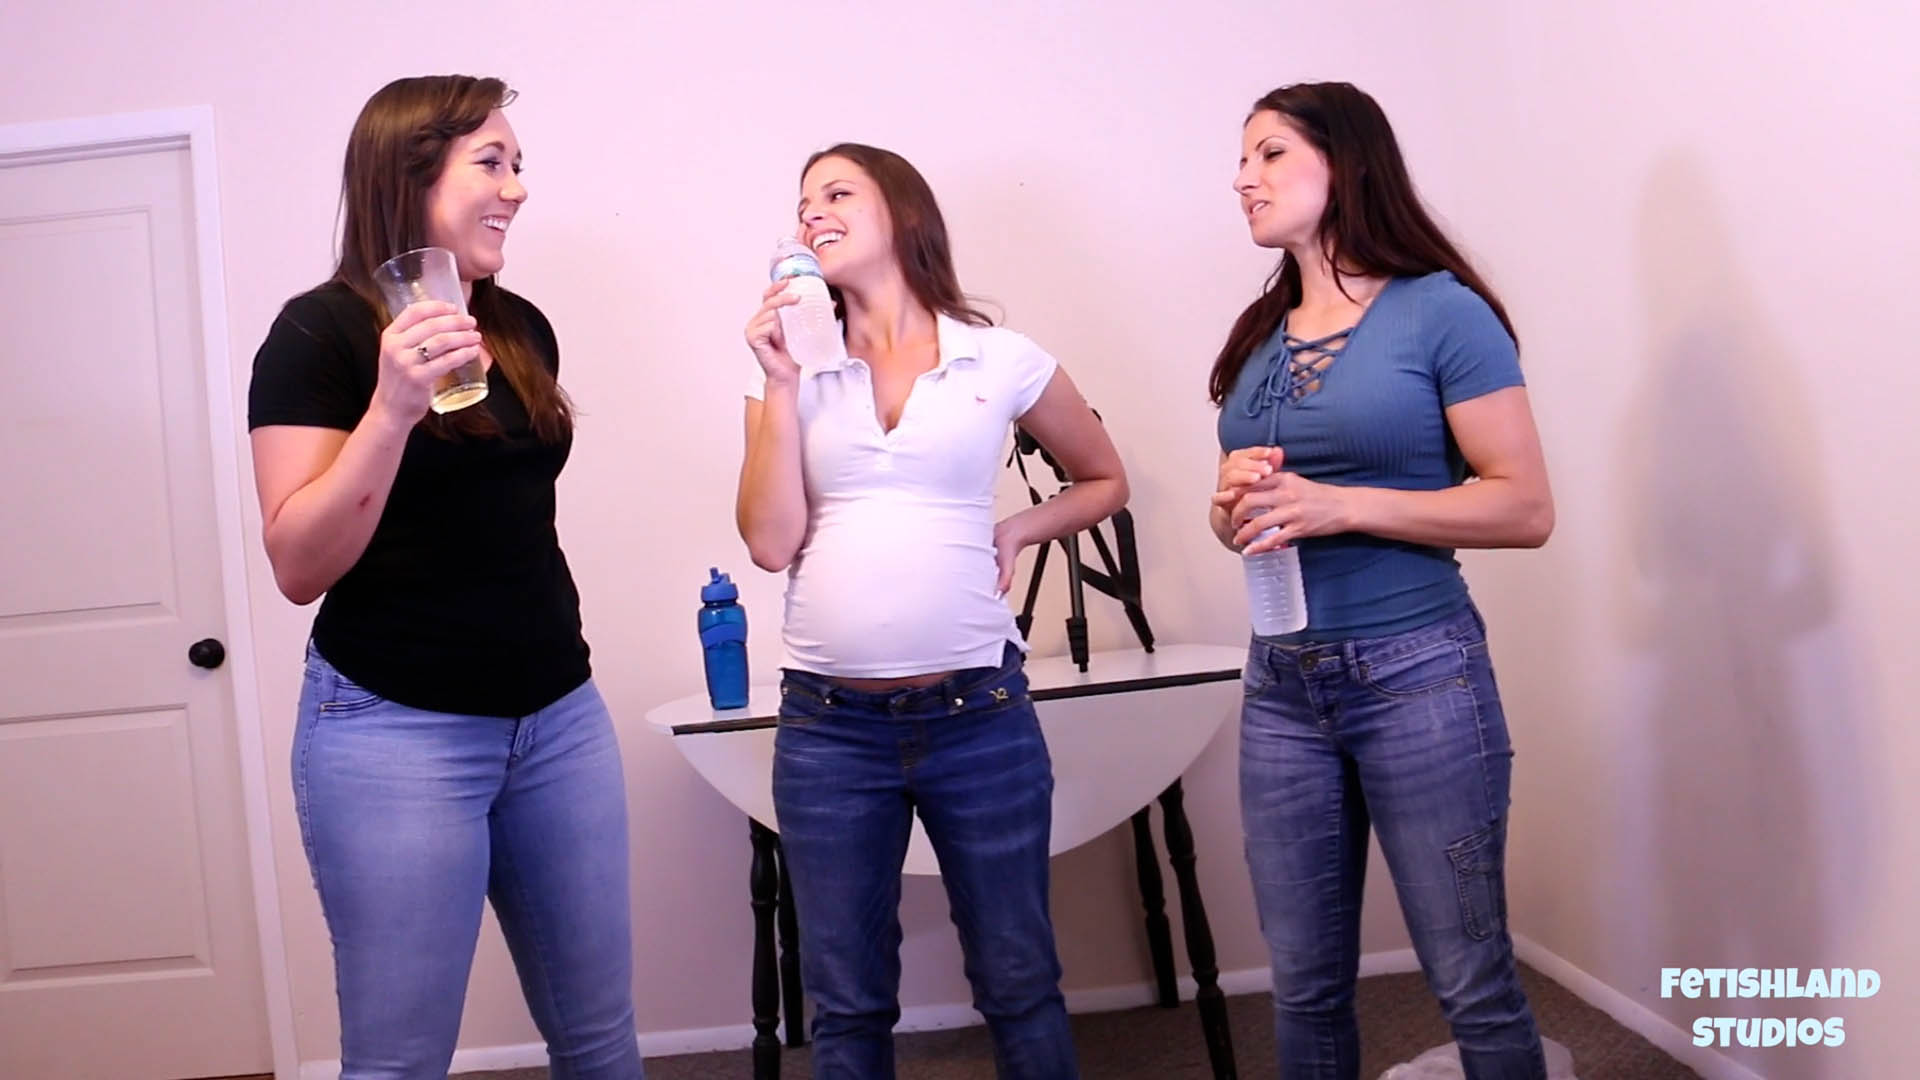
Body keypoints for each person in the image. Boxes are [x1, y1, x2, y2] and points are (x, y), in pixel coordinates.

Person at [246, 75, 644, 1080]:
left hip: (559, 720)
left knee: (601, 1043)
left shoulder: (519, 328)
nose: (517, 188)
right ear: (410, 174)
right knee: (400, 1064)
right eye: (492, 163)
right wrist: (390, 410)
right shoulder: (316, 336)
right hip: (394, 729)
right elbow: (298, 564)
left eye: (518, 165)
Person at [734, 142, 1128, 1079]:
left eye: (837, 193)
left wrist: (1021, 527)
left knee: (1020, 981)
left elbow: (1103, 478)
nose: (812, 215)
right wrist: (782, 383)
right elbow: (770, 544)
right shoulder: (788, 373)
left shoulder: (1000, 358)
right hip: (829, 730)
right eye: (803, 204)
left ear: (904, 214)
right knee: (847, 1002)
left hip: (978, 718)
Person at [1209, 82, 1556, 1080]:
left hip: (1418, 675)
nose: (1243, 178)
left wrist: (1343, 506)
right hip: (1282, 684)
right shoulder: (1263, 333)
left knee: (1470, 979)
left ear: (1346, 161)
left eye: (1270, 153)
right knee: (1303, 986)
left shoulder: (1441, 313)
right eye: (1242, 158)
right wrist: (1230, 509)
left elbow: (1524, 508)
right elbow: (1247, 515)